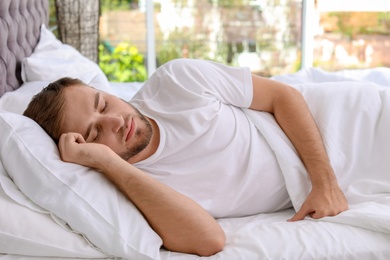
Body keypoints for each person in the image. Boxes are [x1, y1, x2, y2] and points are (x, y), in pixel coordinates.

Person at [23, 58, 348, 256]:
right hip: (347, 174)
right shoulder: (132, 188)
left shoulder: (177, 81)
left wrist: (325, 181)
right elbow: (209, 240)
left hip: (344, 123)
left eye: (103, 104)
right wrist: (107, 162)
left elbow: (282, 95)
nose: (116, 122)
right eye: (95, 134)